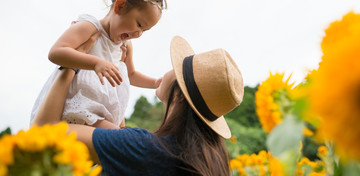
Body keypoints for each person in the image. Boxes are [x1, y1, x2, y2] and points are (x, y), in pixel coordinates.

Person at [33, 35, 244, 176]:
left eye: (176, 68)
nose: (167, 71)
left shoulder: (147, 148)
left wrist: (75, 63)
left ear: (179, 96)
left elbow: (45, 131)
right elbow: (120, 141)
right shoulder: (211, 162)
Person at [30, 0, 167, 129]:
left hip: (103, 111)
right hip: (77, 105)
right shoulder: (90, 27)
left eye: (145, 31)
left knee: (118, 140)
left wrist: (155, 83)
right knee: (120, 140)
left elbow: (131, 75)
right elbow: (56, 52)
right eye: (139, 24)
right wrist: (95, 63)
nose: (139, 34)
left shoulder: (125, 46)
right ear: (120, 6)